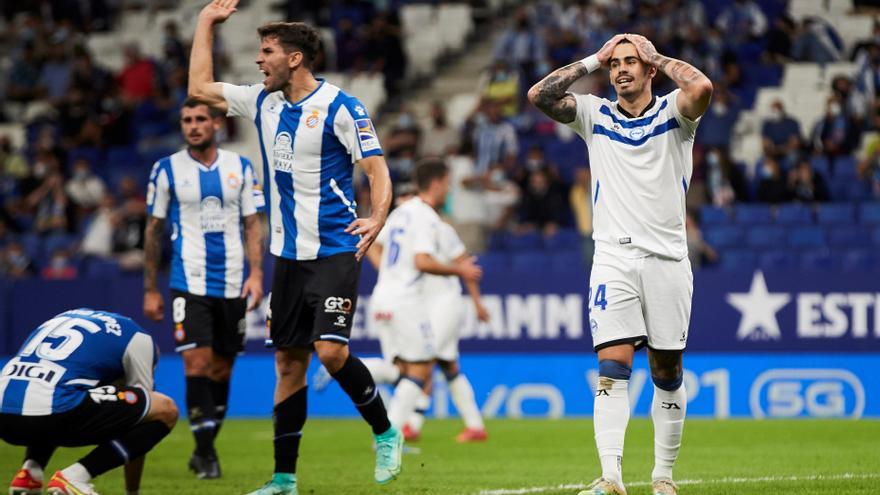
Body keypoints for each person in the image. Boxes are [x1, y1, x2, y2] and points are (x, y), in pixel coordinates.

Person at [187, 1, 400, 493]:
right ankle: (284, 478)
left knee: (330, 352)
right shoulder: (263, 101)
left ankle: (385, 432)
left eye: (266, 52)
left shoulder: (342, 107)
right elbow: (198, 89)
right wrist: (205, 23)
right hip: (287, 256)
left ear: (295, 59)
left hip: (333, 248)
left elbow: (377, 169)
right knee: (288, 365)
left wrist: (376, 217)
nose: (258, 61)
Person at [529, 32, 713, 495]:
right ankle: (611, 477)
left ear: (649, 69)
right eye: (616, 64)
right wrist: (595, 56)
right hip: (613, 256)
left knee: (666, 372)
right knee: (612, 366)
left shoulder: (675, 113)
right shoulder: (595, 115)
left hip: (668, 259)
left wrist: (659, 56)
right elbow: (540, 95)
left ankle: (663, 477)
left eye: (632, 62)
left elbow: (702, 89)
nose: (621, 69)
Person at [142, 97, 265, 479]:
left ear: (215, 124)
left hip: (231, 283)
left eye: (200, 119)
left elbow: (252, 224)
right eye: (186, 120)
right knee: (197, 361)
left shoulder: (240, 167)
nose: (193, 126)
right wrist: (151, 288)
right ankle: (206, 452)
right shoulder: (165, 170)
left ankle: (205, 447)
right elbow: (153, 230)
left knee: (223, 369)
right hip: (187, 282)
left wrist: (257, 273)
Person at [362, 180, 490, 443]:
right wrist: (387, 269)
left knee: (424, 361)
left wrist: (477, 302)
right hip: (418, 304)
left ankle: (411, 423)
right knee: (445, 364)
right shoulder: (409, 222)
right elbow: (376, 247)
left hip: (444, 303)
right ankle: (474, 426)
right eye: (402, 195)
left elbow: (465, 264)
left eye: (409, 195)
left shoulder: (439, 229)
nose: (404, 200)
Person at [1, 308, 178, 495]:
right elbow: (144, 415)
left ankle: (30, 474)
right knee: (165, 410)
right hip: (54, 411)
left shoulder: (64, 317)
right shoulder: (142, 339)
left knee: (55, 392)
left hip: (5, 416)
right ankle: (75, 477)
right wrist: (132, 491)